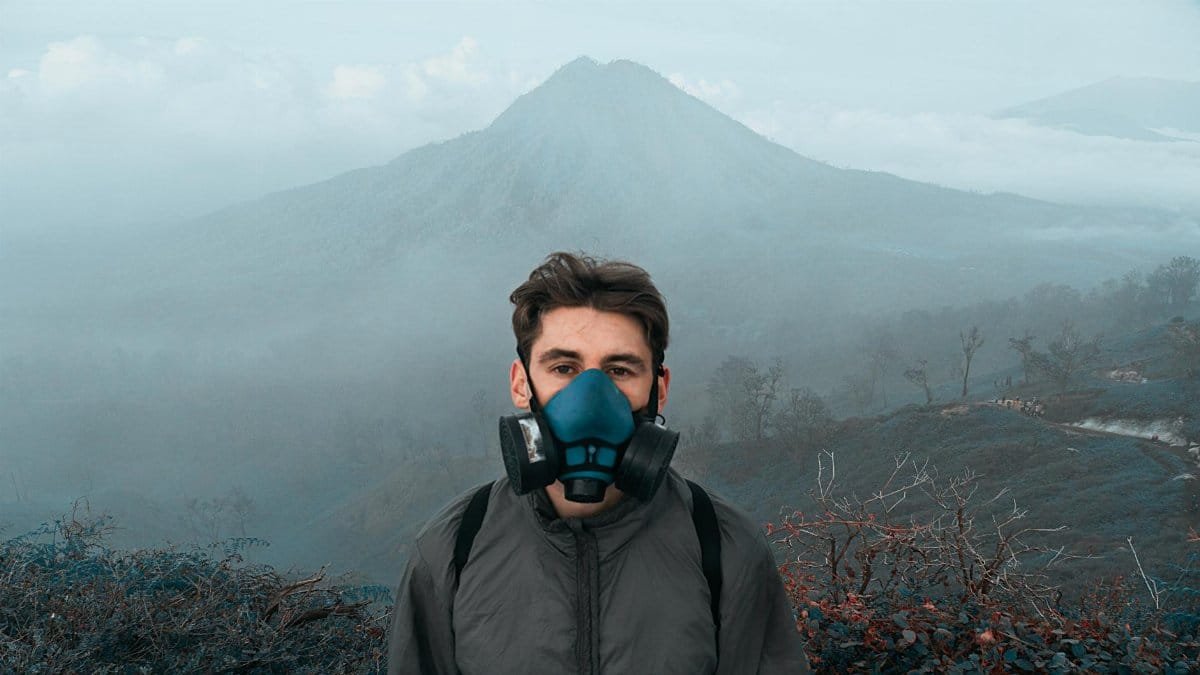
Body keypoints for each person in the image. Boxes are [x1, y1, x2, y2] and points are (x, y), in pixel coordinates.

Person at [386, 252, 810, 674]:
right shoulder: (452, 548)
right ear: (521, 382)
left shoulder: (723, 546)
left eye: (620, 370)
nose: (590, 398)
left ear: (658, 389)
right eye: (564, 367)